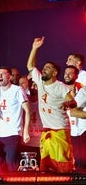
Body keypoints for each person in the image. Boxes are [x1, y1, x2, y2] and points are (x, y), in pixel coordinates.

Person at [27, 36, 77, 173]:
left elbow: (73, 102)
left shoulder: (60, 87)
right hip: (46, 131)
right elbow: (30, 66)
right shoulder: (40, 82)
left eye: (47, 68)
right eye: (43, 68)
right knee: (46, 168)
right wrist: (34, 48)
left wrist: (68, 103)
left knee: (62, 167)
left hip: (60, 131)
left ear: (54, 73)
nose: (43, 70)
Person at [0, 57, 30, 174]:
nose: (0, 76)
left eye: (3, 74)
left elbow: (27, 110)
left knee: (11, 165)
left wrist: (26, 131)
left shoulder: (17, 90)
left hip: (13, 134)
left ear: (10, 77)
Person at [19, 76, 42, 167]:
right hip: (26, 141)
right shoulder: (23, 99)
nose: (33, 87)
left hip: (40, 142)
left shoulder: (44, 101)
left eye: (35, 85)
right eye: (31, 85)